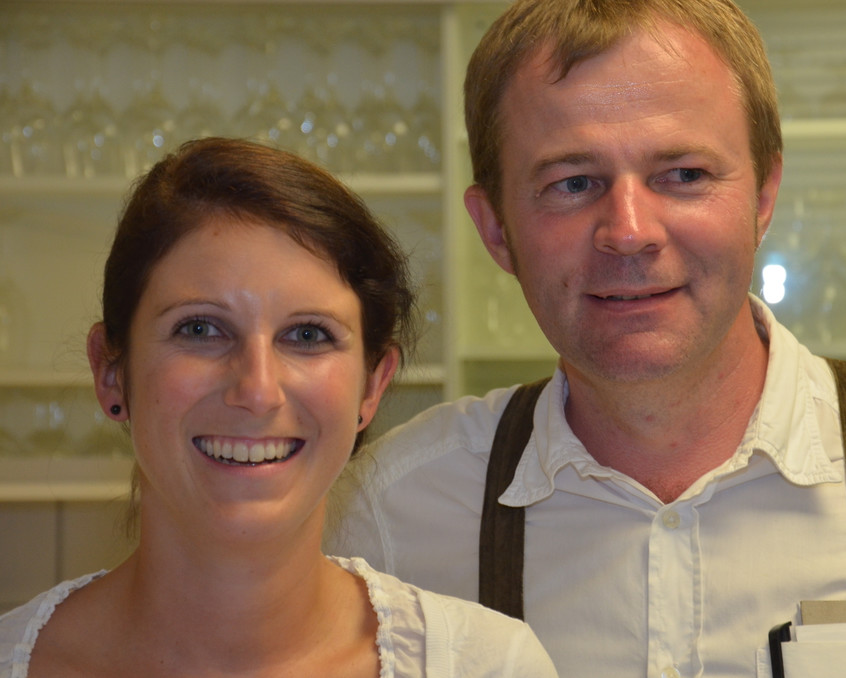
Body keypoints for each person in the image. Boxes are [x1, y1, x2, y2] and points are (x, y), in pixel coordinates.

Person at [328, 1, 846, 676]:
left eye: (685, 175)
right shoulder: (386, 515)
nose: (629, 231)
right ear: (495, 229)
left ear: (763, 195)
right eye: (573, 182)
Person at [0, 137, 558, 678]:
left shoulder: (488, 666)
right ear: (110, 372)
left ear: (371, 387)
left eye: (308, 335)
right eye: (200, 329)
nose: (258, 390)